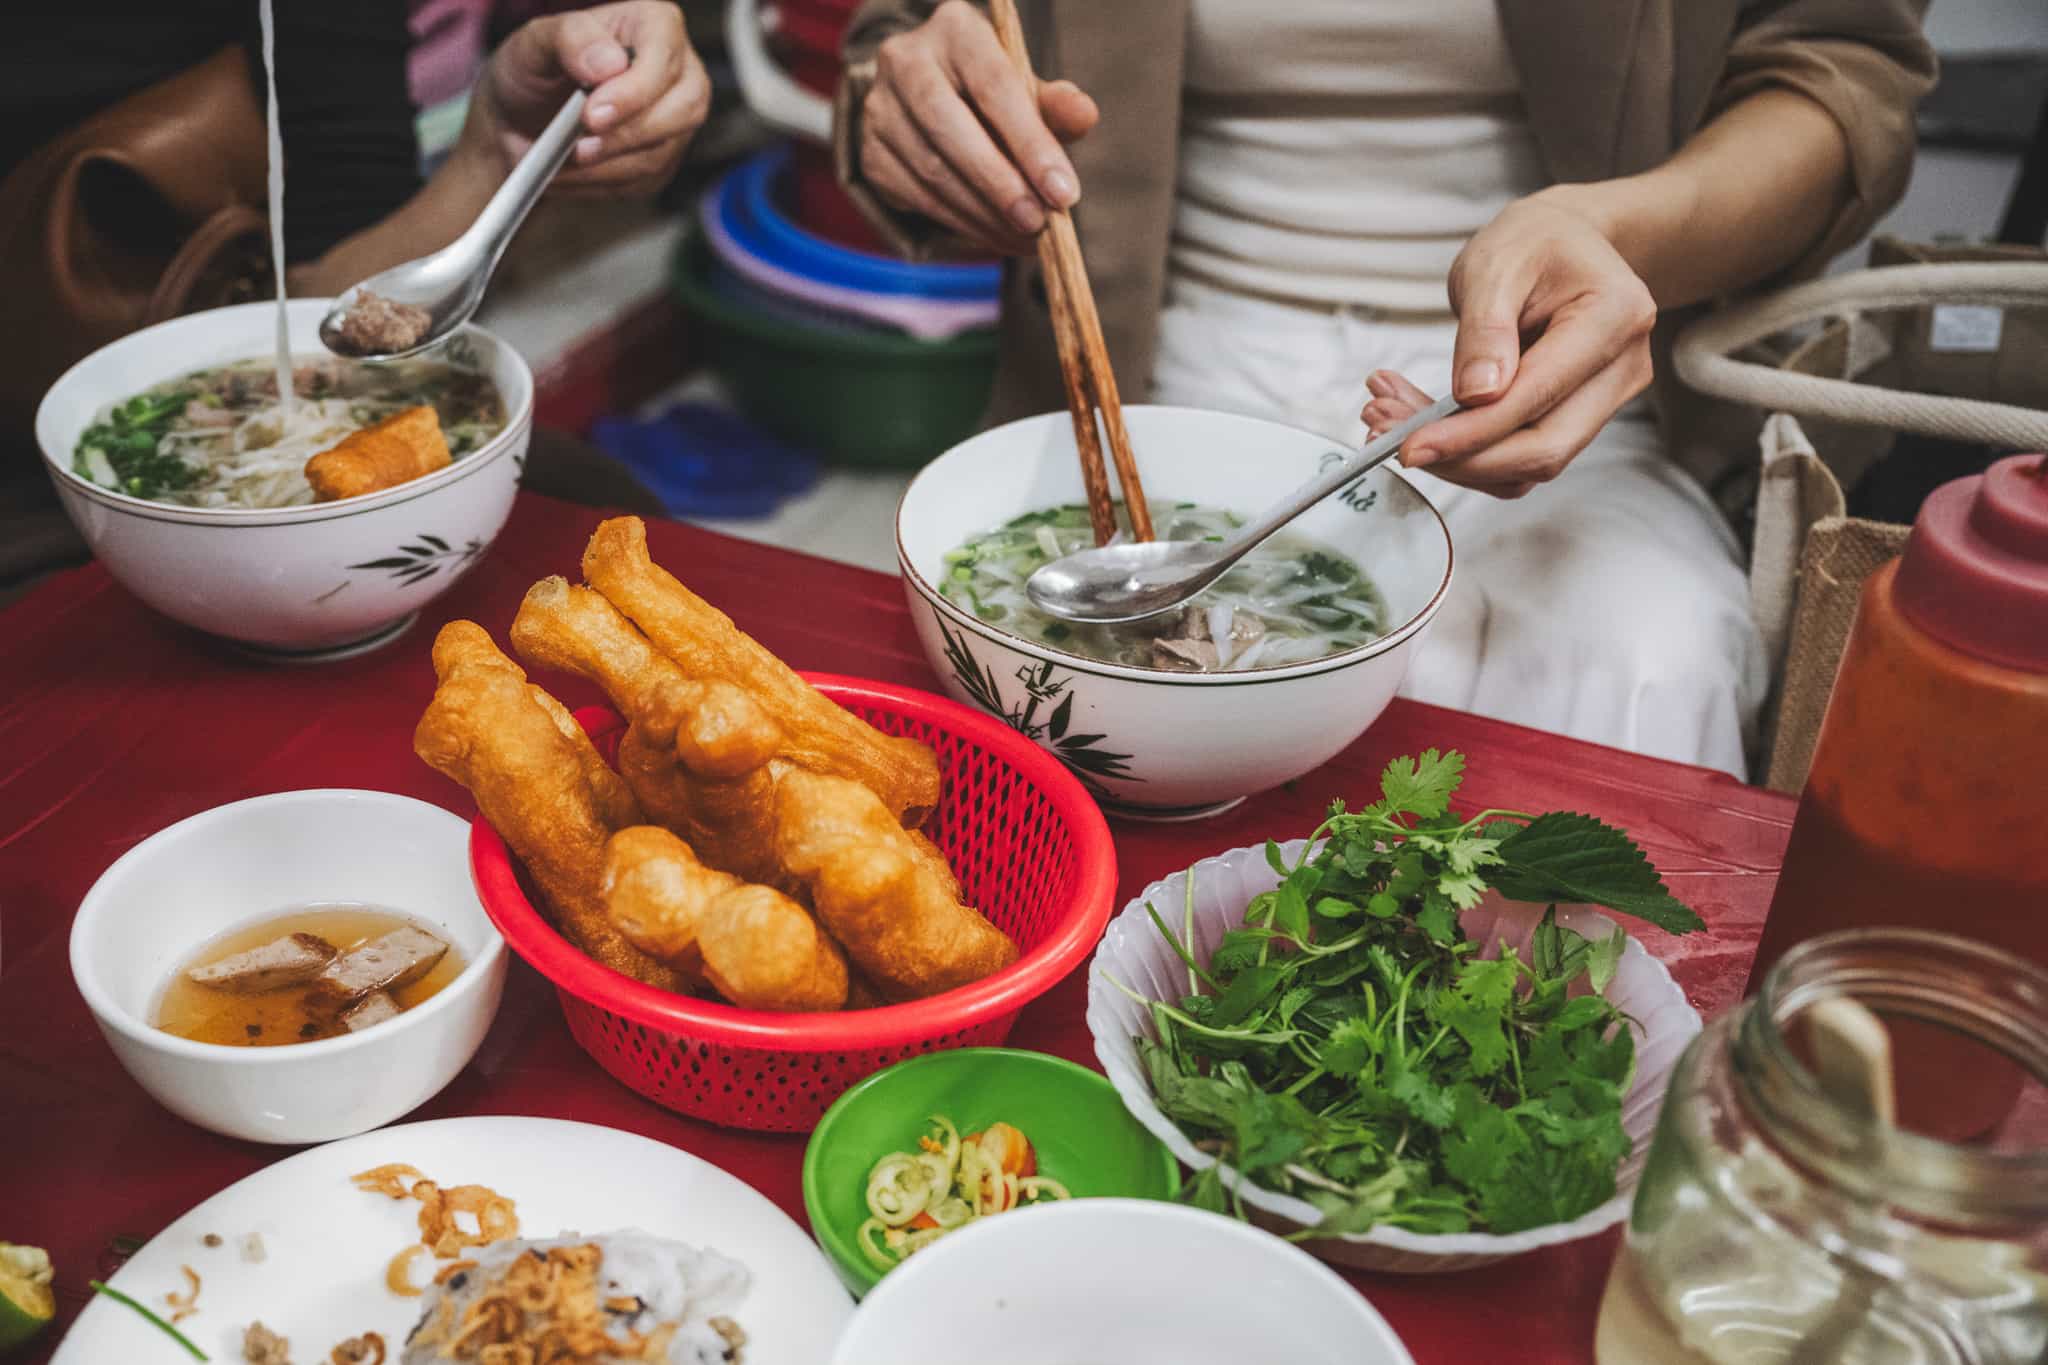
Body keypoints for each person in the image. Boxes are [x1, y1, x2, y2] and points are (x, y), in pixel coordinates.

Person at [833, 0, 1936, 779]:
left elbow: (1840, 67)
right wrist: (906, 104)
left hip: (1560, 350)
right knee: (1082, 683)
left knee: (1642, 658)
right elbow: (905, 39)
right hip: (1146, 366)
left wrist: (1619, 230)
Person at [0, 2, 708, 598]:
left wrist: (495, 154)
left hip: (253, 389)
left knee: (603, 502)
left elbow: (326, 295)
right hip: (31, 483)